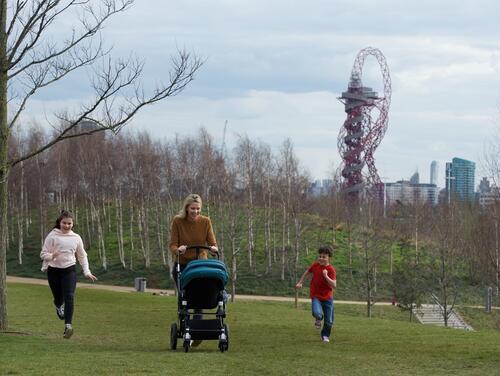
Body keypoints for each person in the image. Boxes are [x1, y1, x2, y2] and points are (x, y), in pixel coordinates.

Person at [169, 194, 218, 346]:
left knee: (199, 298)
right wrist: (179, 249)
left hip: (200, 266)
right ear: (186, 208)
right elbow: (172, 245)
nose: (195, 212)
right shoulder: (178, 221)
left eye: (198, 209)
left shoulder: (205, 221)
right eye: (192, 209)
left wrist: (214, 248)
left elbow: (212, 242)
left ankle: (198, 332)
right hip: (183, 265)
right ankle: (186, 325)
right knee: (185, 298)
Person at [40, 210, 97, 339]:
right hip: (53, 271)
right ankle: (58, 306)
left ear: (73, 224)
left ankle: (68, 326)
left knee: (69, 296)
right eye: (64, 223)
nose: (67, 226)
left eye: (69, 223)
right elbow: (42, 254)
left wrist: (86, 271)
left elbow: (82, 256)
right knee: (59, 298)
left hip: (69, 270)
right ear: (59, 223)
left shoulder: (76, 238)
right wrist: (51, 255)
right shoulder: (52, 236)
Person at [296, 245, 337, 343]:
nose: (321, 258)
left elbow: (334, 285)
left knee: (329, 321)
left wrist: (326, 276)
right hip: (316, 296)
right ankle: (319, 318)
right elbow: (307, 272)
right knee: (317, 313)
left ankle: (325, 336)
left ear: (329, 258)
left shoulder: (331, 269)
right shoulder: (315, 265)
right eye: (320, 256)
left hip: (327, 298)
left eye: (324, 257)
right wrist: (300, 282)